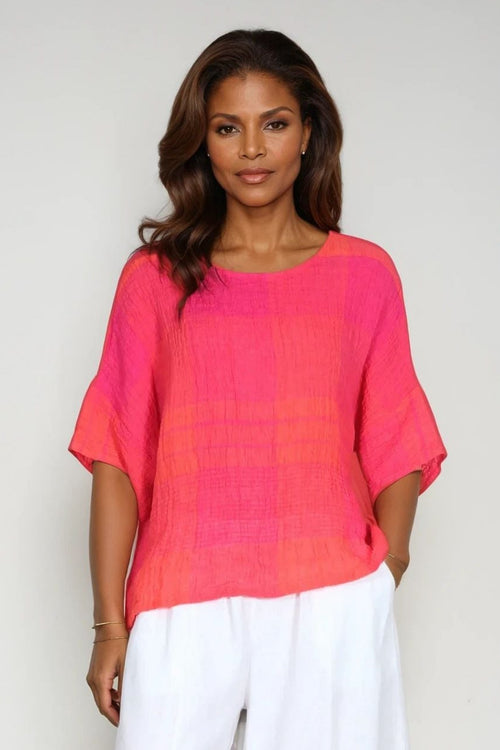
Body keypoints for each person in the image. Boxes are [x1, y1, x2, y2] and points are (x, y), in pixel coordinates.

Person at [67, 28, 448, 750]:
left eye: (273, 124)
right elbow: (117, 453)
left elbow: (397, 431)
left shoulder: (364, 276)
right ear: (202, 144)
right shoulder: (155, 280)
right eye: (226, 128)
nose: (251, 149)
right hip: (183, 590)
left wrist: (387, 566)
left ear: (308, 134)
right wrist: (109, 625)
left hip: (329, 595)